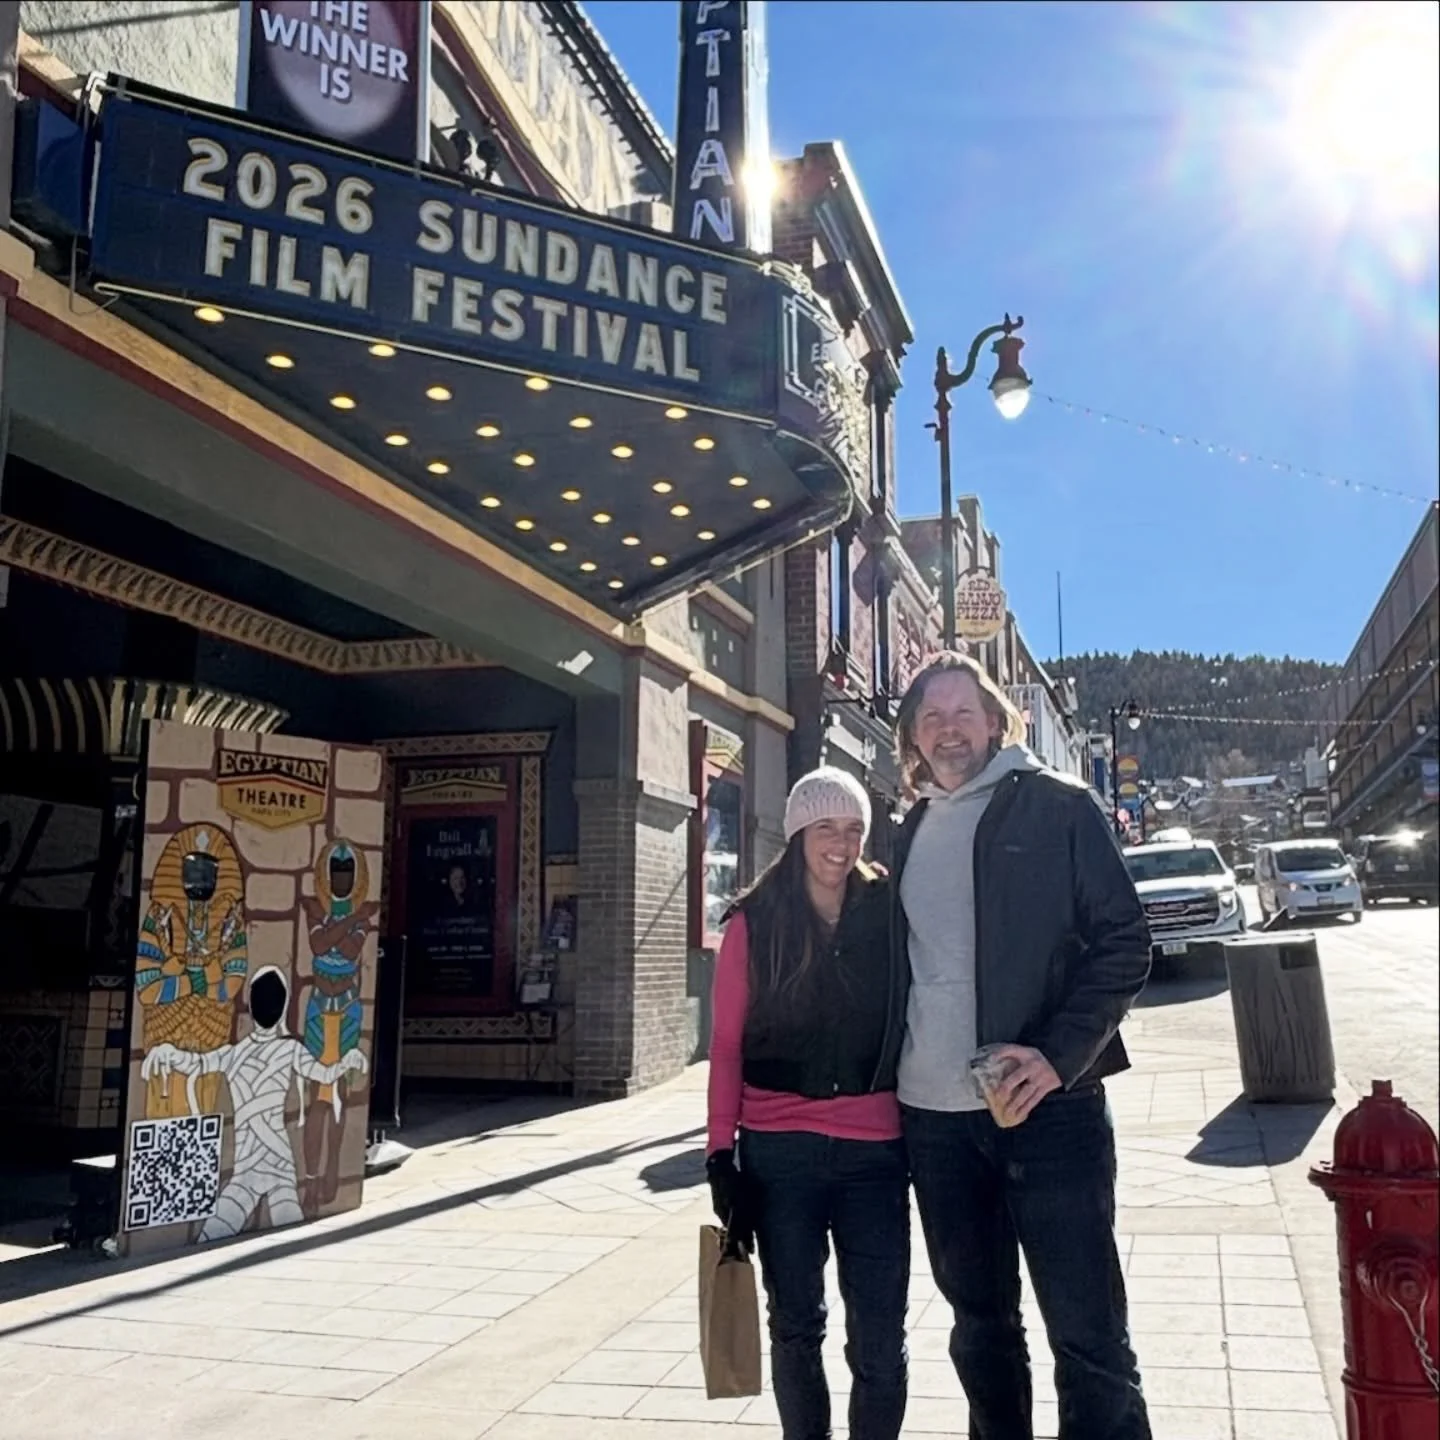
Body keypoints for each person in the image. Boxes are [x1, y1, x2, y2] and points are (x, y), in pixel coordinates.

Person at [890, 652, 1153, 1440]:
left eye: (962, 712)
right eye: (929, 717)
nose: (947, 730)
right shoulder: (909, 828)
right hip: (934, 1120)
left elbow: (1125, 942)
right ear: (912, 735)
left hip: (1049, 1110)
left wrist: (1057, 1057)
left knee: (1089, 1335)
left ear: (997, 720)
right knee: (980, 1330)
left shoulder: (1057, 806)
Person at [706, 767, 909, 1440]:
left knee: (879, 1340)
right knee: (796, 1329)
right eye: (827, 827)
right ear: (797, 835)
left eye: (854, 829)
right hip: (779, 1157)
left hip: (875, 1154)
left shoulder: (888, 912)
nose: (842, 844)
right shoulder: (754, 925)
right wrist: (718, 1154)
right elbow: (727, 1045)